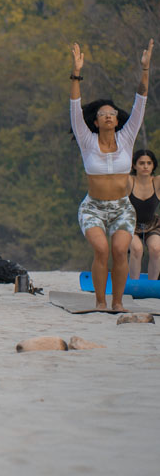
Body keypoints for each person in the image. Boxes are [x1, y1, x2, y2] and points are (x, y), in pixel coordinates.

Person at [71, 40, 152, 309]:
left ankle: (117, 302)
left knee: (119, 251)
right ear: (95, 121)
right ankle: (99, 301)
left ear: (118, 120)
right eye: (103, 114)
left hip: (121, 208)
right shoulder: (87, 140)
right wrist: (76, 73)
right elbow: (74, 106)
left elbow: (140, 102)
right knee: (102, 250)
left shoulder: (127, 138)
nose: (108, 116)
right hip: (93, 207)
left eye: (112, 114)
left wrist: (145, 69)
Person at [127, 149, 160, 281]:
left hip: (152, 224)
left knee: (156, 249)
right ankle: (134, 283)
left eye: (149, 163)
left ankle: (153, 285)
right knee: (137, 249)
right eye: (141, 163)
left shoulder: (157, 182)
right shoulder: (129, 181)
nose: (145, 166)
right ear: (134, 165)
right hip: (130, 224)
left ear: (153, 165)